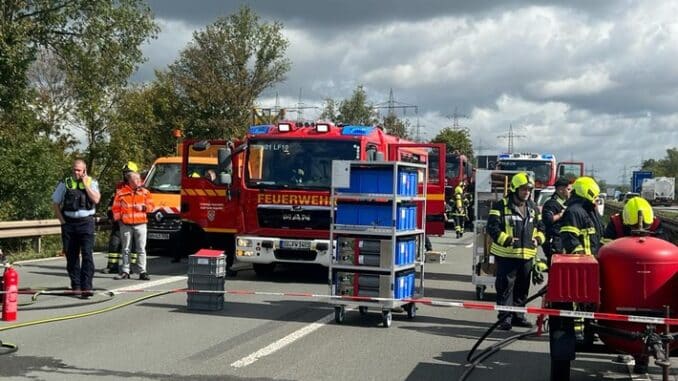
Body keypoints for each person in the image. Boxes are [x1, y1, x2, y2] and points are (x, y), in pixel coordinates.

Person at [549, 176, 605, 379]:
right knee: (577, 306)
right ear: (588, 193)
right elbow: (569, 239)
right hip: (581, 268)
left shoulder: (590, 211)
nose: (597, 200)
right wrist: (585, 259)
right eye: (595, 197)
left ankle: (586, 333)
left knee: (590, 306)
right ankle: (579, 335)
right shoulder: (574, 212)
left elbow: (600, 238)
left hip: (594, 267)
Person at [487, 172, 545, 331]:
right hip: (507, 255)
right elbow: (492, 227)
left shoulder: (532, 207)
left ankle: (519, 317)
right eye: (523, 189)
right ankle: (505, 319)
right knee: (505, 288)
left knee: (522, 289)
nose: (526, 192)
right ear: (515, 189)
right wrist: (505, 239)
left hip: (527, 255)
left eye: (529, 189)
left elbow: (541, 228)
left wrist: (538, 239)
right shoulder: (501, 205)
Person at [51, 159, 101, 299]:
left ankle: (87, 287)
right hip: (70, 224)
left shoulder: (92, 182)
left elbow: (96, 199)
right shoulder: (65, 183)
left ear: (84, 170)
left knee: (87, 255)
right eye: (74, 169)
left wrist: (86, 185)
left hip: (86, 223)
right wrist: (62, 222)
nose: (76, 172)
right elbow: (55, 203)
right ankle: (76, 286)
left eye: (79, 170)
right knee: (71, 256)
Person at [112, 171, 154, 281]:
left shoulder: (145, 193)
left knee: (141, 249)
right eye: (135, 179)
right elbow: (115, 208)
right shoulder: (121, 193)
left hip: (141, 224)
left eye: (139, 179)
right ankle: (125, 271)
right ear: (130, 181)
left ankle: (142, 272)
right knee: (126, 249)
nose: (138, 181)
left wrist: (144, 207)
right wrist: (120, 221)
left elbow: (151, 207)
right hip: (126, 224)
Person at [104, 161, 139, 274]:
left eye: (128, 173)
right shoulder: (119, 186)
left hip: (133, 221)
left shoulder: (139, 187)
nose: (125, 175)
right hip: (119, 221)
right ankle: (112, 266)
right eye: (124, 173)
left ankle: (131, 267)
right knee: (114, 243)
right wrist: (110, 214)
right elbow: (113, 202)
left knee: (132, 245)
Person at [604, 196, 668, 241]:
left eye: (645, 227)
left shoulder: (656, 224)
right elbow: (604, 247)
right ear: (624, 220)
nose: (639, 232)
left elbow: (663, 246)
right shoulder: (616, 223)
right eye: (634, 227)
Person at [541, 177, 572, 263]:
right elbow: (547, 219)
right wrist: (561, 215)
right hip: (554, 241)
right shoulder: (551, 204)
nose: (570, 192)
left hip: (562, 240)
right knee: (555, 268)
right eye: (568, 189)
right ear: (561, 190)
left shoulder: (566, 203)